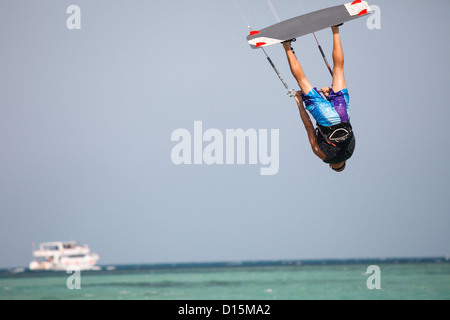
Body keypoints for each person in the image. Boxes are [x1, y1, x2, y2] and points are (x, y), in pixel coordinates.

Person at [283, 25, 355, 172]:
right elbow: (309, 128)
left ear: (345, 162)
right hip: (326, 119)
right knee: (302, 81)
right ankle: (286, 45)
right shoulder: (324, 156)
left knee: (339, 69)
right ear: (330, 165)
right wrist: (299, 103)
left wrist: (329, 97)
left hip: (342, 114)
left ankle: (335, 29)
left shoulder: (351, 150)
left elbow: (346, 126)